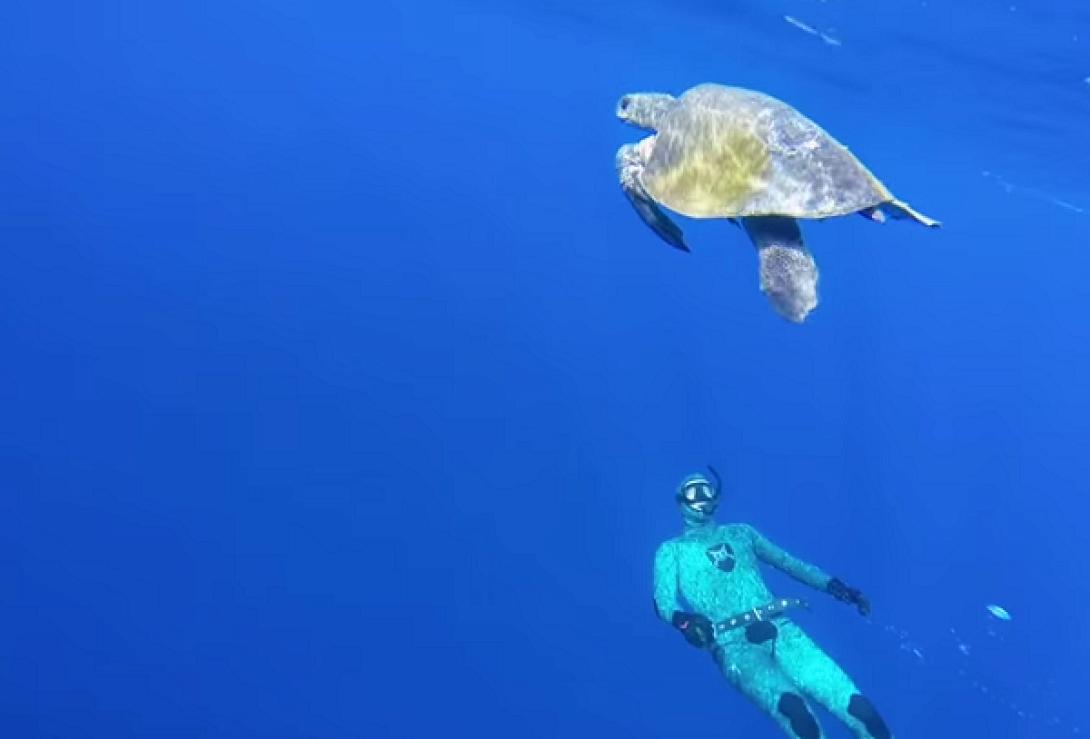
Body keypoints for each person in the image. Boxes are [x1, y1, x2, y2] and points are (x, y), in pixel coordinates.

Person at [653, 467, 893, 739]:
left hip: (782, 628)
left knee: (857, 707)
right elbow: (663, 602)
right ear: (681, 502)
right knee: (798, 715)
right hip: (732, 646)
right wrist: (684, 621)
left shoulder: (742, 533)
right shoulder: (671, 551)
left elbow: (788, 563)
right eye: (694, 492)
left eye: (707, 490)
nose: (702, 498)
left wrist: (835, 587)